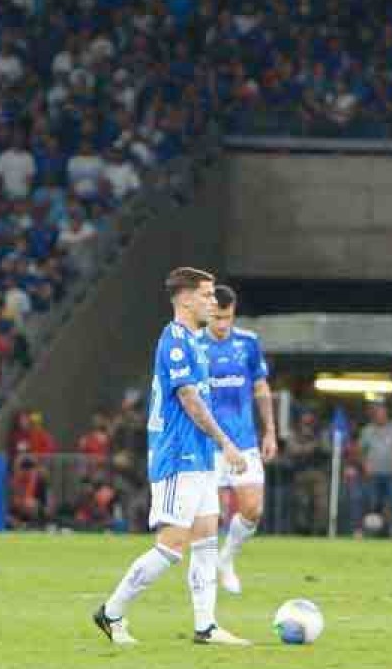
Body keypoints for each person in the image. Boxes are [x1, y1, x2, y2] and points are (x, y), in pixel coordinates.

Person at [93, 267, 251, 647]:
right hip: (178, 456)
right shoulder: (175, 341)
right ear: (184, 298)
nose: (213, 301)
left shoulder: (196, 342)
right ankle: (111, 613)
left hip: (198, 457)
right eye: (206, 294)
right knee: (171, 547)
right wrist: (226, 442)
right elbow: (189, 400)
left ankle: (206, 625)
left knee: (206, 539)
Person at [205, 285, 277, 594]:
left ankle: (227, 560)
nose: (223, 325)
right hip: (206, 443)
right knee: (209, 516)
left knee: (253, 509)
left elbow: (261, 388)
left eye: (228, 318)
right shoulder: (194, 345)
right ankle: (204, 577)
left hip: (244, 442)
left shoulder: (248, 343)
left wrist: (270, 431)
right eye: (218, 318)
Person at [357, 402, 392, 539]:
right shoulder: (367, 431)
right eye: (378, 413)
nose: (381, 416)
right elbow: (361, 452)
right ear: (374, 415)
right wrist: (365, 466)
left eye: (383, 413)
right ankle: (375, 534)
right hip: (374, 474)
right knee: (374, 505)